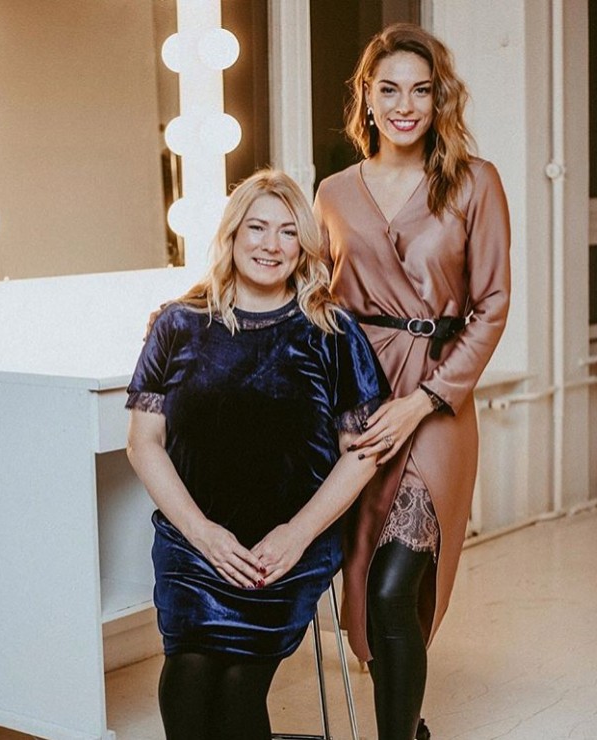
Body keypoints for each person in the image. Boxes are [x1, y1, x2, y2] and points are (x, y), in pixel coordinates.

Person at [125, 169, 390, 740]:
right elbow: (143, 443)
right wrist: (203, 534)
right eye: (257, 227)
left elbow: (362, 454)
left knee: (237, 687)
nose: (271, 245)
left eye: (288, 232)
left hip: (290, 545)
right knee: (190, 674)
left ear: (304, 247)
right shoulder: (178, 324)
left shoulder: (332, 332)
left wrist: (297, 535)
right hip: (194, 542)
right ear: (232, 234)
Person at [313, 23, 511, 740]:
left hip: (436, 403)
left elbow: (492, 304)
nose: (405, 106)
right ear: (365, 97)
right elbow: (317, 302)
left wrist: (425, 401)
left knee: (396, 588)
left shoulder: (474, 181)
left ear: (438, 99)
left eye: (421, 91)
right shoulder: (333, 192)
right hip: (361, 402)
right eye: (389, 90)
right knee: (368, 585)